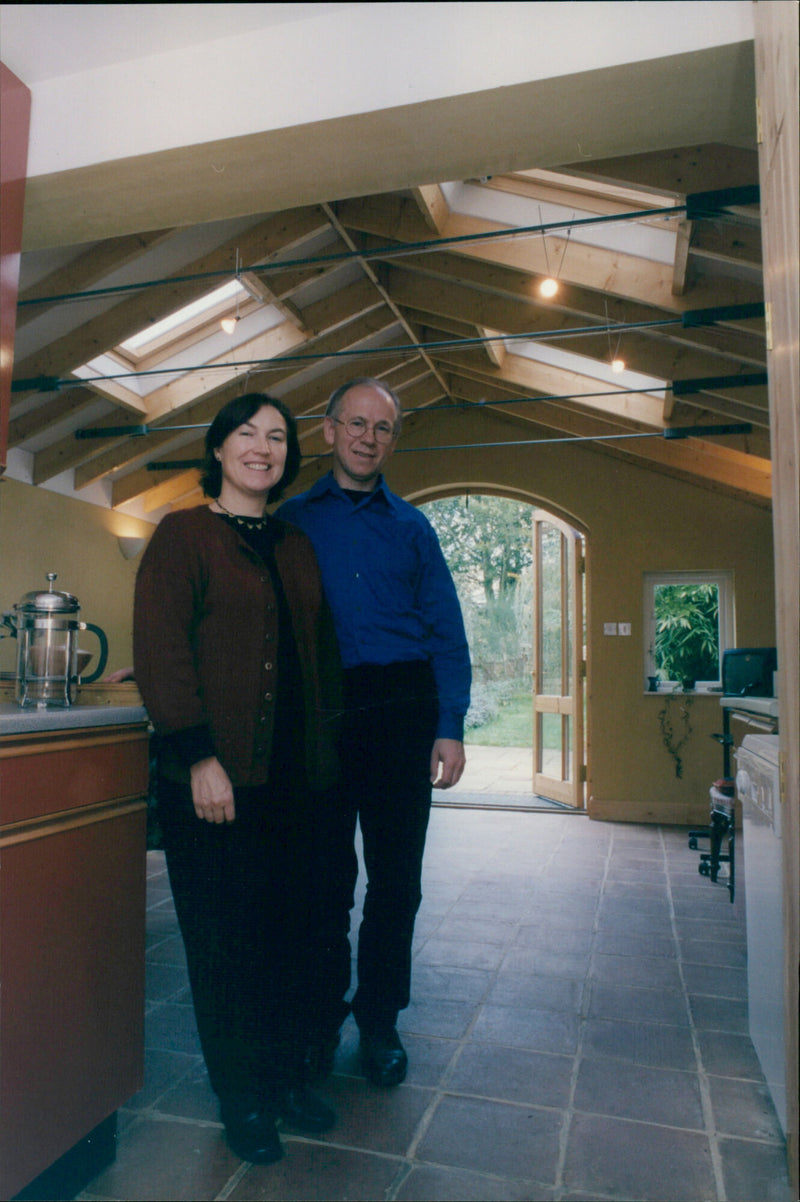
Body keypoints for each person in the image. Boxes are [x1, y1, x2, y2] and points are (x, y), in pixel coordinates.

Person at [133, 393, 344, 1165]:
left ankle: (286, 1077)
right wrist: (198, 758)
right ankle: (242, 1096)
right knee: (226, 946)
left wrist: (330, 764)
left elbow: (319, 661)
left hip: (295, 783)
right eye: (247, 434)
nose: (263, 447)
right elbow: (161, 652)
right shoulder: (183, 535)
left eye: (278, 437)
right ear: (219, 449)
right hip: (215, 784)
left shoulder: (296, 544)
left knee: (292, 938)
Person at [278, 377, 471, 1087]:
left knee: (397, 881)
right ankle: (318, 1019)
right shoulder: (291, 521)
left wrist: (448, 726)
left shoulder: (413, 528)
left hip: (400, 706)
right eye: (355, 424)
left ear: (394, 438)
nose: (367, 437)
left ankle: (380, 1020)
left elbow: (446, 633)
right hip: (323, 708)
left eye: (382, 428)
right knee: (322, 880)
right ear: (328, 431)